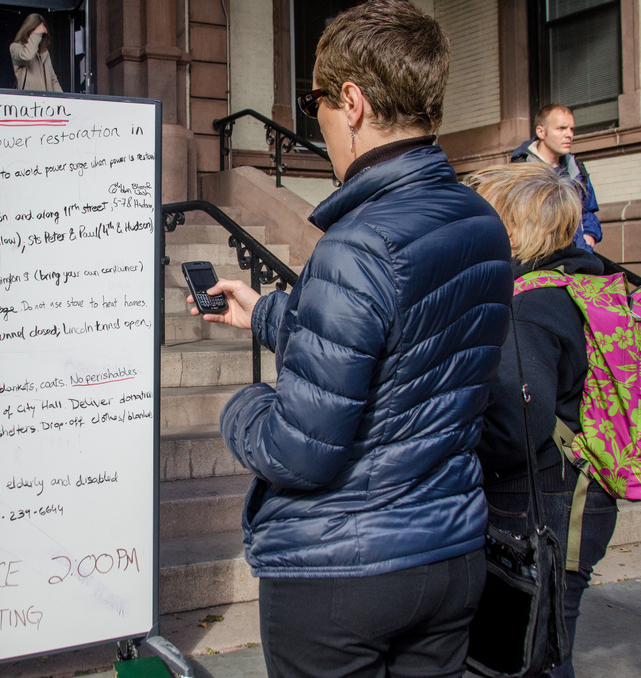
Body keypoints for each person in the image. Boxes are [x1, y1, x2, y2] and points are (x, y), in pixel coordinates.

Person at [186, 2, 513, 676]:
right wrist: (269, 315)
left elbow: (299, 453)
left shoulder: (358, 245)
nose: (322, 124)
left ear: (353, 102)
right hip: (448, 554)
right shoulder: (479, 219)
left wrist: (240, 408)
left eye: (319, 105)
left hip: (342, 574)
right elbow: (405, 343)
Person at [466, 162, 619, 678]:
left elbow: (514, 429)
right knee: (550, 638)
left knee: (533, 653)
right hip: (580, 492)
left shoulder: (528, 304)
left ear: (510, 229)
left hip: (546, 502)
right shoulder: (579, 281)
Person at [511, 104, 601, 251]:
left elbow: (588, 210)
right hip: (540, 262)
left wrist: (589, 236)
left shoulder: (576, 170)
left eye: (571, 129)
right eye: (561, 128)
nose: (569, 134)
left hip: (578, 258)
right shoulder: (520, 171)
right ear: (541, 131)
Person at [10, 13, 62, 92]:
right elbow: (27, 56)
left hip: (47, 100)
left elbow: (53, 80)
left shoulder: (44, 52)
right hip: (28, 100)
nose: (39, 35)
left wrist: (62, 101)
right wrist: (36, 34)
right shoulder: (16, 47)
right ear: (28, 30)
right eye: (35, 32)